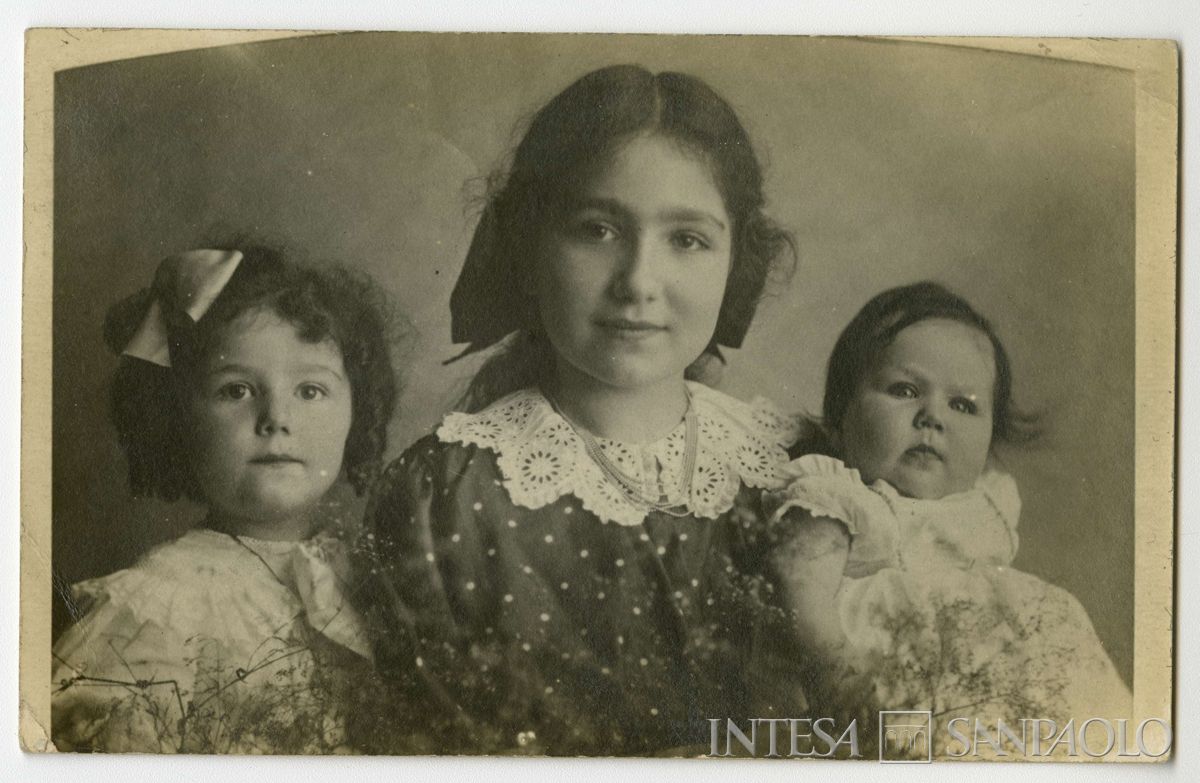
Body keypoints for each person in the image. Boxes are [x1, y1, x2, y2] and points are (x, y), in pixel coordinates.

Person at [355, 64, 802, 755]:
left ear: (736, 261)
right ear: (528, 245)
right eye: (597, 229)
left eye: (687, 239)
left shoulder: (797, 477)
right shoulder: (441, 494)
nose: (639, 283)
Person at [51, 244, 401, 753]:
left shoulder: (374, 574)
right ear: (176, 419)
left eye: (310, 391)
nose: (276, 417)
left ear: (357, 410)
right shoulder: (157, 608)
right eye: (236, 391)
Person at [769, 282, 1131, 756]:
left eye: (963, 405)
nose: (932, 416)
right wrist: (841, 683)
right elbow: (803, 601)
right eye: (905, 390)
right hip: (878, 676)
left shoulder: (988, 504)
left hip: (985, 683)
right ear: (839, 420)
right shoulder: (836, 493)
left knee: (1057, 624)